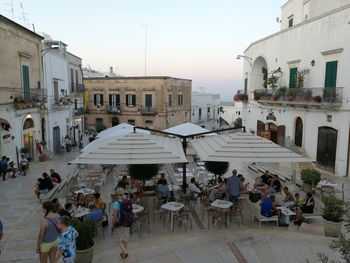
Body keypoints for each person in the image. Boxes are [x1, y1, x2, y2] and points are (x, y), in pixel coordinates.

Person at [113, 188, 132, 259]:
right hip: (127, 222)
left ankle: (125, 251)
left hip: (120, 223)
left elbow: (115, 215)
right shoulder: (127, 200)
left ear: (117, 194)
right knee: (125, 238)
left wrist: (113, 224)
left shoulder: (116, 203)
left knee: (118, 240)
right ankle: (123, 253)